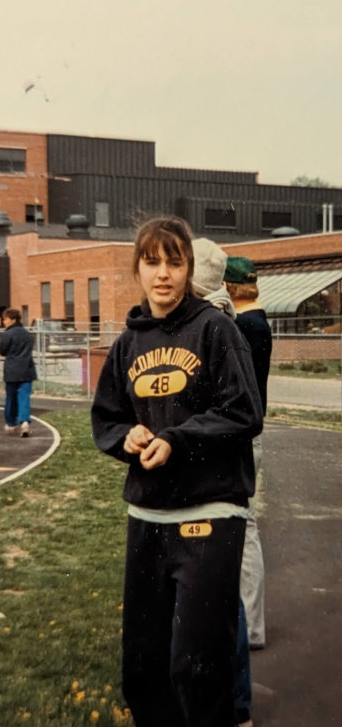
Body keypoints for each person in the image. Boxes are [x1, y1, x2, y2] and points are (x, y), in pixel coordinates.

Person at [91, 217, 263, 727]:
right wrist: (128, 437)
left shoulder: (217, 330)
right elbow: (107, 416)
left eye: (174, 262)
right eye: (152, 262)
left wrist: (175, 438)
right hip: (147, 516)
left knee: (197, 664)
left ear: (188, 268)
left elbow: (244, 412)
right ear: (138, 268)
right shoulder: (128, 342)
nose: (162, 274)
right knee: (143, 667)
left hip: (209, 515)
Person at [191, 238, 255, 727]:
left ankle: (235, 703)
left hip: (217, 478)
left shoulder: (219, 330)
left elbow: (238, 412)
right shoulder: (210, 323)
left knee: (220, 592)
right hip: (200, 477)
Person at [225, 255, 271, 653]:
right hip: (252, 432)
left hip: (241, 436)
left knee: (244, 525)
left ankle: (251, 625)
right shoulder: (260, 322)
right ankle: (249, 622)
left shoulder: (244, 327)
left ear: (229, 287)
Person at [0, 308, 36, 437]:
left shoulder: (8, 334)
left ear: (12, 319)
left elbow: (2, 350)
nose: (4, 322)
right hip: (27, 369)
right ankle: (24, 421)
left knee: (11, 398)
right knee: (24, 397)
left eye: (5, 319)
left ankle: (11, 423)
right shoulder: (27, 334)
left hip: (12, 370)